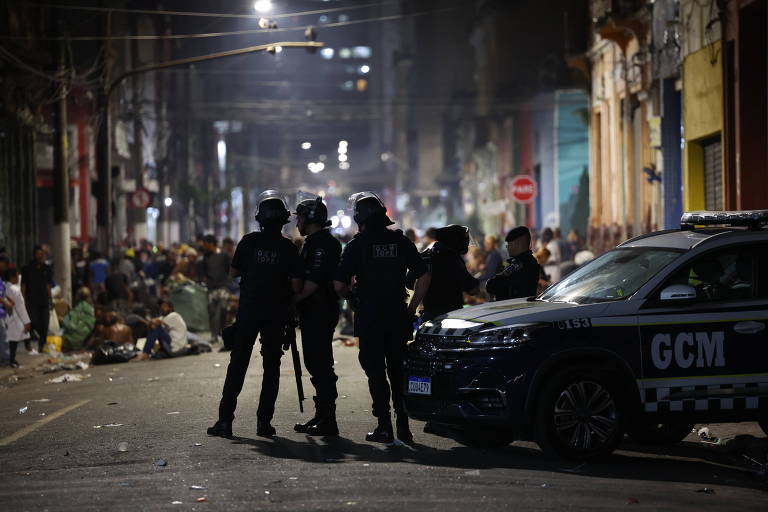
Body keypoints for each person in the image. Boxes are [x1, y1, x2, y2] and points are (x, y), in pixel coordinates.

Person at [333, 192, 430, 444]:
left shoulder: (357, 245)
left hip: (369, 318)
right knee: (398, 371)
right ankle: (404, 426)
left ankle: (384, 426)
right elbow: (424, 274)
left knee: (375, 373)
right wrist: (412, 308)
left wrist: (351, 298)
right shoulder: (400, 242)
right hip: (397, 316)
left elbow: (338, 284)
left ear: (359, 218)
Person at [208, 190, 303, 439]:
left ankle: (225, 421)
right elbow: (296, 286)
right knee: (271, 367)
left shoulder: (249, 242)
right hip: (277, 313)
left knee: (237, 364)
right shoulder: (288, 247)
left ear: (260, 218)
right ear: (283, 219)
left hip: (249, 311)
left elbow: (233, 273)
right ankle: (264, 423)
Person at [292, 196, 343, 436]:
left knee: (320, 363)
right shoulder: (315, 241)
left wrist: (293, 300)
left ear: (310, 219)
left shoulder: (321, 244)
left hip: (319, 310)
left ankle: (327, 419)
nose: (297, 222)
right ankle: (322, 415)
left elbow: (313, 281)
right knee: (315, 363)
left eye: (300, 217)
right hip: (315, 310)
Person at [412, 224, 479, 322]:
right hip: (451, 317)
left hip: (428, 317)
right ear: (457, 240)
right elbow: (473, 290)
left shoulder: (428, 255)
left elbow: (410, 283)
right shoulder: (453, 259)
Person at [486, 226, 540, 301]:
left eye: (509, 244)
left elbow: (492, 285)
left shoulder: (520, 264)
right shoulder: (528, 261)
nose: (507, 247)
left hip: (514, 308)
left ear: (518, 244)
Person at [21, 246, 53, 354]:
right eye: (38, 254)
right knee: (34, 321)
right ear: (34, 255)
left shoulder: (47, 269)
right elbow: (24, 286)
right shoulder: (27, 268)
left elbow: (48, 285)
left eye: (42, 254)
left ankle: (42, 345)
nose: (40, 256)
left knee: (45, 323)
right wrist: (23, 300)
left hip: (44, 301)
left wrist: (51, 300)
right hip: (31, 301)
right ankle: (27, 339)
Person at [201, 235, 232, 344]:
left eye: (205, 244)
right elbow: (204, 272)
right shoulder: (206, 257)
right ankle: (214, 335)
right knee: (212, 311)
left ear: (211, 243)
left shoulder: (224, 255)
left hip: (223, 287)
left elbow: (229, 270)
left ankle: (224, 332)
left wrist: (228, 283)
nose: (204, 246)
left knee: (223, 309)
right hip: (211, 288)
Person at [3, 266, 30, 368]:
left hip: (5, 317)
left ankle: (9, 359)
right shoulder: (15, 290)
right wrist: (27, 322)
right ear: (13, 277)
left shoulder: (4, 286)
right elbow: (21, 307)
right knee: (13, 340)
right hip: (14, 317)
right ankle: (11, 360)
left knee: (7, 340)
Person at [0, 255, 13, 365]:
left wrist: (8, 301)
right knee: (3, 335)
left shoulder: (1, 278)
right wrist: (5, 302)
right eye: (4, 264)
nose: (5, 267)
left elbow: (2, 294)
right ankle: (5, 358)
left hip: (2, 312)